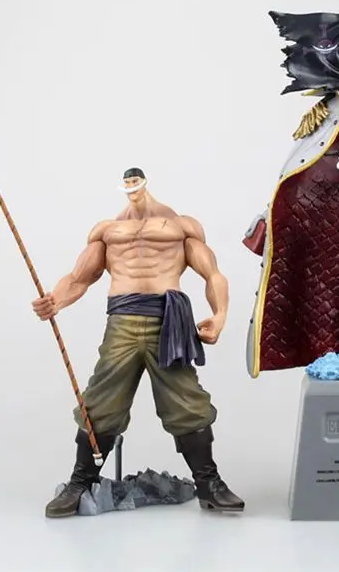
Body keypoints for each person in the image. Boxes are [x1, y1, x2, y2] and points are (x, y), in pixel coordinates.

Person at [33, 168, 244, 517]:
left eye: (136, 181)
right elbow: (79, 278)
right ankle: (80, 483)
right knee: (100, 401)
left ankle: (209, 484)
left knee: (186, 400)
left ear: (145, 183)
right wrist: (55, 301)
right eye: (127, 182)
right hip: (123, 322)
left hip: (168, 322)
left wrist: (220, 314)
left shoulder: (181, 226)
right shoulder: (107, 231)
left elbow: (212, 273)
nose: (132, 186)